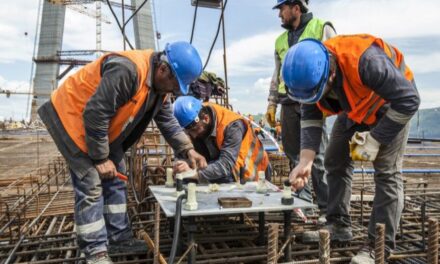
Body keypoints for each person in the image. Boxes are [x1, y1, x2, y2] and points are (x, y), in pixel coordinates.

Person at [38, 41, 208, 264]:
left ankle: (118, 237)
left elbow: (167, 122)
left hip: (103, 129)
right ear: (163, 69)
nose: (174, 91)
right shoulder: (128, 70)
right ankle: (95, 251)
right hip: (71, 119)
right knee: (91, 183)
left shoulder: (160, 88)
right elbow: (96, 112)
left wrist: (188, 150)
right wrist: (99, 158)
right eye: (174, 84)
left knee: (118, 173)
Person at [283, 35, 420, 263]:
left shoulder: (367, 61)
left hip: (392, 106)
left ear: (331, 73)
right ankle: (338, 225)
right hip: (356, 106)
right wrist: (305, 161)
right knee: (335, 158)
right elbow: (311, 115)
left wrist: (376, 139)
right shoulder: (309, 76)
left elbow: (409, 100)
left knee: (387, 174)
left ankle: (379, 246)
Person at [265, 0, 335, 219]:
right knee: (294, 154)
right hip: (288, 101)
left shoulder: (321, 27)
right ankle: (303, 202)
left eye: (282, 9)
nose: (279, 15)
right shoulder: (280, 41)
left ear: (296, 7)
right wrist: (272, 102)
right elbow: (277, 74)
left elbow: (334, 62)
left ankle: (325, 207)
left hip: (313, 99)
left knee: (318, 156)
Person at [173, 96, 271, 183]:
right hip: (226, 169)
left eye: (195, 130)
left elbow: (225, 165)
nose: (193, 136)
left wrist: (192, 173)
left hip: (253, 171)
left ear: (206, 119)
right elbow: (182, 151)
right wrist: (183, 163)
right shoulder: (192, 119)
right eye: (189, 132)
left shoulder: (232, 125)